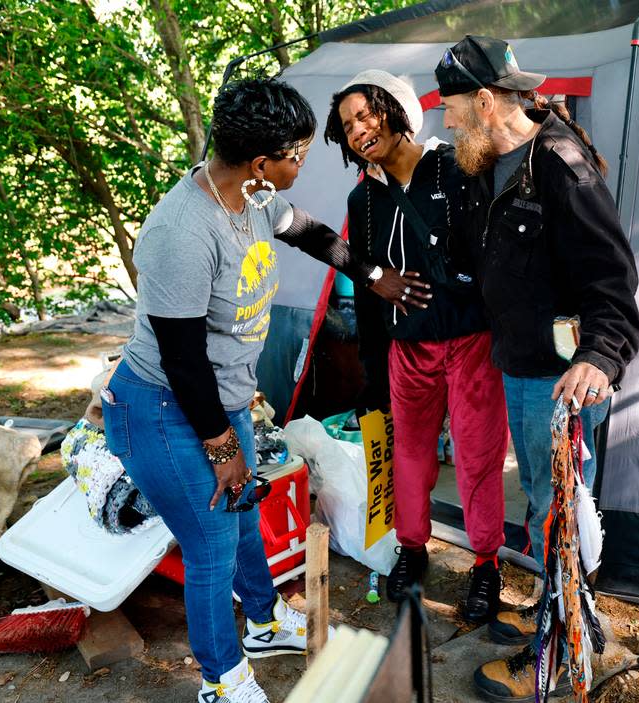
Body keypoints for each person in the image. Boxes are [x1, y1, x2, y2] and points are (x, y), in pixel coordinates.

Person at [102, 78, 420, 703]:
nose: (303, 162)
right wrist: (222, 448)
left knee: (246, 511)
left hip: (219, 400)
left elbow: (308, 231)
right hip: (161, 407)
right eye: (297, 152)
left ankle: (265, 625)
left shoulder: (250, 199)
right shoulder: (182, 233)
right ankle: (220, 680)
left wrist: (374, 274)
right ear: (259, 163)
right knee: (213, 540)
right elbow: (182, 358)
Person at [434, 36, 639, 702]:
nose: (445, 119)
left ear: (486, 100)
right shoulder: (483, 164)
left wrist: (600, 356)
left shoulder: (559, 164)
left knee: (559, 514)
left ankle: (558, 659)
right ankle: (566, 616)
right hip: (517, 363)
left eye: (451, 105)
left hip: (558, 379)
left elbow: (613, 281)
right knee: (551, 512)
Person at [323, 70, 510, 622]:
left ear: (394, 108)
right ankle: (411, 548)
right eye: (348, 126)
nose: (359, 130)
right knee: (410, 452)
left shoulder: (457, 167)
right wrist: (371, 374)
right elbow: (368, 291)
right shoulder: (363, 201)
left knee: (478, 455)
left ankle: (485, 563)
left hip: (472, 341)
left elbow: (490, 255)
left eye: (366, 115)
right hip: (409, 350)